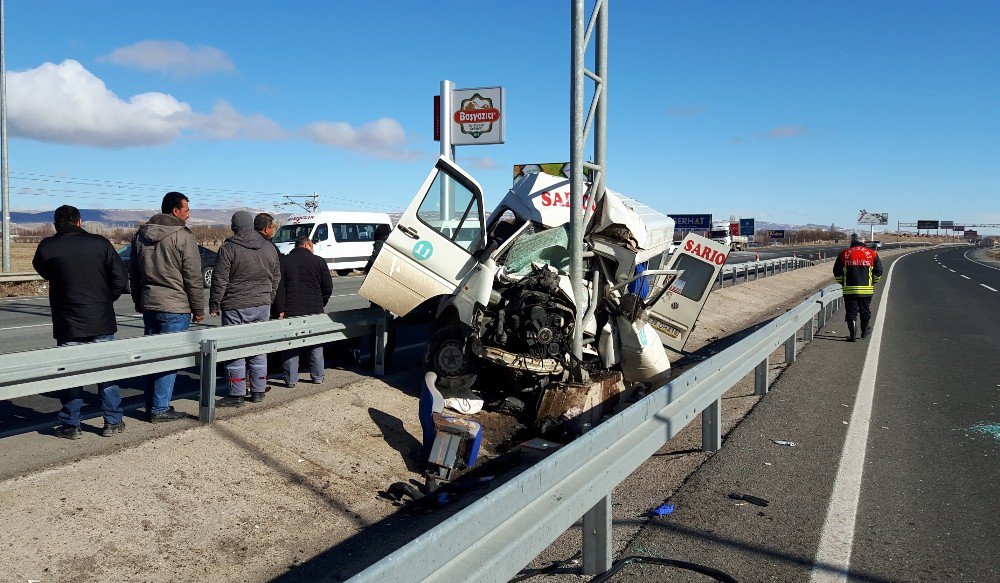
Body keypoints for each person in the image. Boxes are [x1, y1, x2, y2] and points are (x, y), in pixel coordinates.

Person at [32, 205, 129, 439]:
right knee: (106, 372)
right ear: (80, 221)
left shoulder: (48, 246)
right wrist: (106, 299)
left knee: (70, 374)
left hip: (67, 322)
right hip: (101, 318)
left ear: (56, 224)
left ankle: (70, 425)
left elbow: (43, 270)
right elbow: (120, 277)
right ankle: (112, 421)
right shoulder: (100, 243)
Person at [130, 191, 205, 422]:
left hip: (150, 303)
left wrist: (138, 301)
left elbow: (134, 273)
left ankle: (154, 404)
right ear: (175, 211)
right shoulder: (183, 237)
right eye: (186, 211)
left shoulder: (140, 236)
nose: (189, 216)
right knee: (169, 358)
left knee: (153, 357)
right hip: (174, 306)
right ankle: (159, 409)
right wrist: (198, 308)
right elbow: (192, 276)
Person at [210, 211, 282, 407]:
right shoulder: (269, 247)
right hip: (262, 305)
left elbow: (220, 279)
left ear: (234, 227)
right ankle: (258, 391)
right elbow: (276, 277)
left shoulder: (229, 248)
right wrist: (269, 298)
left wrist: (214, 303)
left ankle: (237, 394)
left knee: (236, 350)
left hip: (235, 305)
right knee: (259, 349)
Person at [273, 236, 333, 387]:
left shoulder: (284, 262)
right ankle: (318, 376)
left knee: (291, 345)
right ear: (307, 245)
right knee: (315, 344)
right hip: (314, 308)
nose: (313, 250)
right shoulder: (319, 261)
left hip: (290, 309)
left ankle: (291, 379)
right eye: (312, 246)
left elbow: (278, 288)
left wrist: (280, 309)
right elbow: (328, 287)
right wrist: (321, 302)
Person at [833, 233, 883, 342]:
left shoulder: (844, 254)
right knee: (865, 311)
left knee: (851, 312)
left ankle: (852, 336)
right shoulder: (872, 254)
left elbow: (837, 272)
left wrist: (843, 282)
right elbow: (879, 271)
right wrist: (872, 282)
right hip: (866, 289)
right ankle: (864, 332)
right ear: (863, 241)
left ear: (852, 241)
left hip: (849, 289)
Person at [365, 224, 396, 370]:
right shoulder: (395, 246)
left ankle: (376, 360)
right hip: (393, 293)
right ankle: (388, 358)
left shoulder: (380, 244)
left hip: (379, 293)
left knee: (377, 327)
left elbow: (372, 264)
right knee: (390, 328)